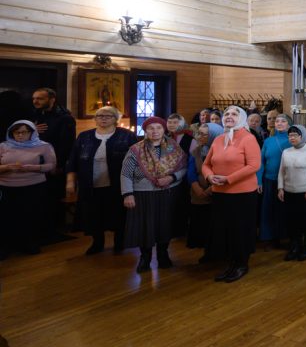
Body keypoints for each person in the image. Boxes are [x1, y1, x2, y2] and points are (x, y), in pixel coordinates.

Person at [66, 106, 139, 255]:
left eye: (108, 116)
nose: (103, 118)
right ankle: (97, 243)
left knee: (118, 213)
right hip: (90, 184)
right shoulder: (84, 136)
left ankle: (120, 241)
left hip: (118, 184)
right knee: (93, 215)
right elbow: (72, 160)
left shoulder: (127, 136)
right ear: (95, 119)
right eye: (99, 116)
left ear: (116, 119)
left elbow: (136, 161)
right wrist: (70, 181)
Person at [203, 106, 262, 283]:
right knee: (225, 229)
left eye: (234, 114)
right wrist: (209, 176)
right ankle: (230, 263)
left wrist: (228, 179)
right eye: (227, 114)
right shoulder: (219, 139)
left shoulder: (248, 138)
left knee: (240, 230)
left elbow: (253, 166)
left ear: (242, 118)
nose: (229, 117)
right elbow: (206, 164)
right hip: (220, 193)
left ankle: (241, 264)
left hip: (242, 194)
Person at [120, 117, 187, 273]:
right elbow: (126, 174)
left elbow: (183, 167)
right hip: (143, 194)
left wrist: (171, 177)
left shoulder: (174, 147)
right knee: (145, 227)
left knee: (165, 225)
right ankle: (145, 258)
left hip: (167, 193)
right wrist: (127, 194)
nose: (155, 131)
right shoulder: (136, 149)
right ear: (145, 131)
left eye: (158, 128)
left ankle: (163, 254)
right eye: (151, 128)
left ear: (164, 130)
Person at [0, 121, 57, 258]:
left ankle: (29, 244)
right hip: (7, 187)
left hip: (34, 186)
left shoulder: (44, 146)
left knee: (30, 216)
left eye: (24, 132)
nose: (20, 135)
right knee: (7, 218)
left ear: (32, 133)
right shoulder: (3, 146)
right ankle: (6, 247)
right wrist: (7, 168)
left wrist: (33, 168)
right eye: (16, 132)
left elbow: (52, 165)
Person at [32, 87, 76, 233]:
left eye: (40, 98)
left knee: (53, 197)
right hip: (36, 163)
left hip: (54, 163)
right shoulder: (35, 115)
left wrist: (59, 164)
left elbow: (66, 144)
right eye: (34, 98)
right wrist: (32, 130)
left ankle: (53, 229)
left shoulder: (65, 118)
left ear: (51, 99)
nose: (35, 101)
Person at [277, 125, 306, 261]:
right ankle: (294, 246)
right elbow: (281, 172)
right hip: (289, 192)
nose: (292, 138)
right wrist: (280, 188)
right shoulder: (286, 152)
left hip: (305, 193)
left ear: (303, 136)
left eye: (295, 135)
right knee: (291, 222)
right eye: (290, 135)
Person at [187, 122, 223, 251]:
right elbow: (190, 171)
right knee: (200, 223)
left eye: (203, 134)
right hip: (198, 193)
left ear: (214, 135)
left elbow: (223, 172)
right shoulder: (196, 150)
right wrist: (196, 188)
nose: (199, 136)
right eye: (198, 133)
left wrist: (209, 190)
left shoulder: (222, 151)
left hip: (216, 192)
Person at [257, 113, 291, 246]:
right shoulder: (268, 141)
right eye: (277, 121)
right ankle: (267, 237)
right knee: (268, 209)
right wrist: (258, 180)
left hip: (287, 181)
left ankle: (283, 236)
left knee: (283, 209)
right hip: (269, 180)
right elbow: (261, 162)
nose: (279, 123)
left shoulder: (292, 139)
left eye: (283, 121)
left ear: (289, 124)